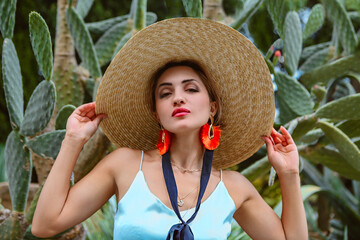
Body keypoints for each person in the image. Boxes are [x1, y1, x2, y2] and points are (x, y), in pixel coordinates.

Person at [31, 18, 307, 239]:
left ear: (212, 107)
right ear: (157, 114)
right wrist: (72, 141)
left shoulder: (234, 188)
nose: (177, 97)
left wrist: (290, 173)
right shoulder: (125, 164)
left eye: (190, 88)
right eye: (165, 93)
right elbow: (44, 225)